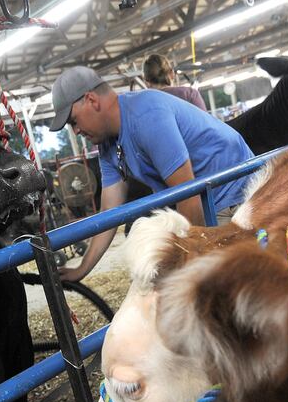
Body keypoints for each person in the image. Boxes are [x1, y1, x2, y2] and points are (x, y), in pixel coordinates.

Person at [49, 66, 256, 282]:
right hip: (202, 200)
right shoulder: (108, 145)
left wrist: (188, 262)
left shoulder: (146, 115)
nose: (76, 131)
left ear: (92, 100)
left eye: (73, 121)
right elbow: (109, 210)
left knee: (215, 284)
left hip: (234, 195)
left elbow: (189, 195)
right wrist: (82, 269)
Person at [142, 53, 207, 111]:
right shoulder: (189, 94)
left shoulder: (142, 105)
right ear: (172, 74)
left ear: (146, 82)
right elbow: (206, 123)